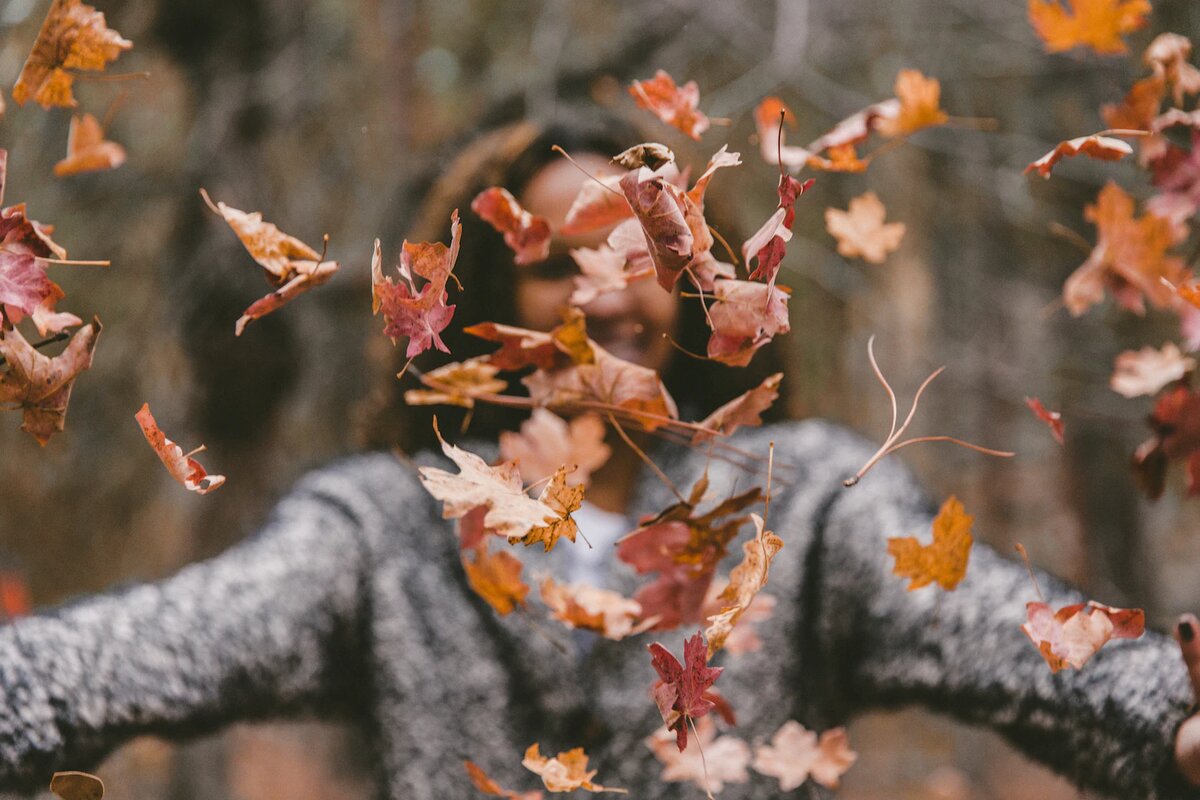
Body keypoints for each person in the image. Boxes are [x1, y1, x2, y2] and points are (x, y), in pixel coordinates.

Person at [1, 108, 1199, 800]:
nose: (605, 294)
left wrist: (1174, 717)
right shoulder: (387, 527)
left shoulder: (802, 504)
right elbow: (158, 643)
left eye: (639, 254)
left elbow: (1018, 641)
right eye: (554, 259)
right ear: (481, 303)